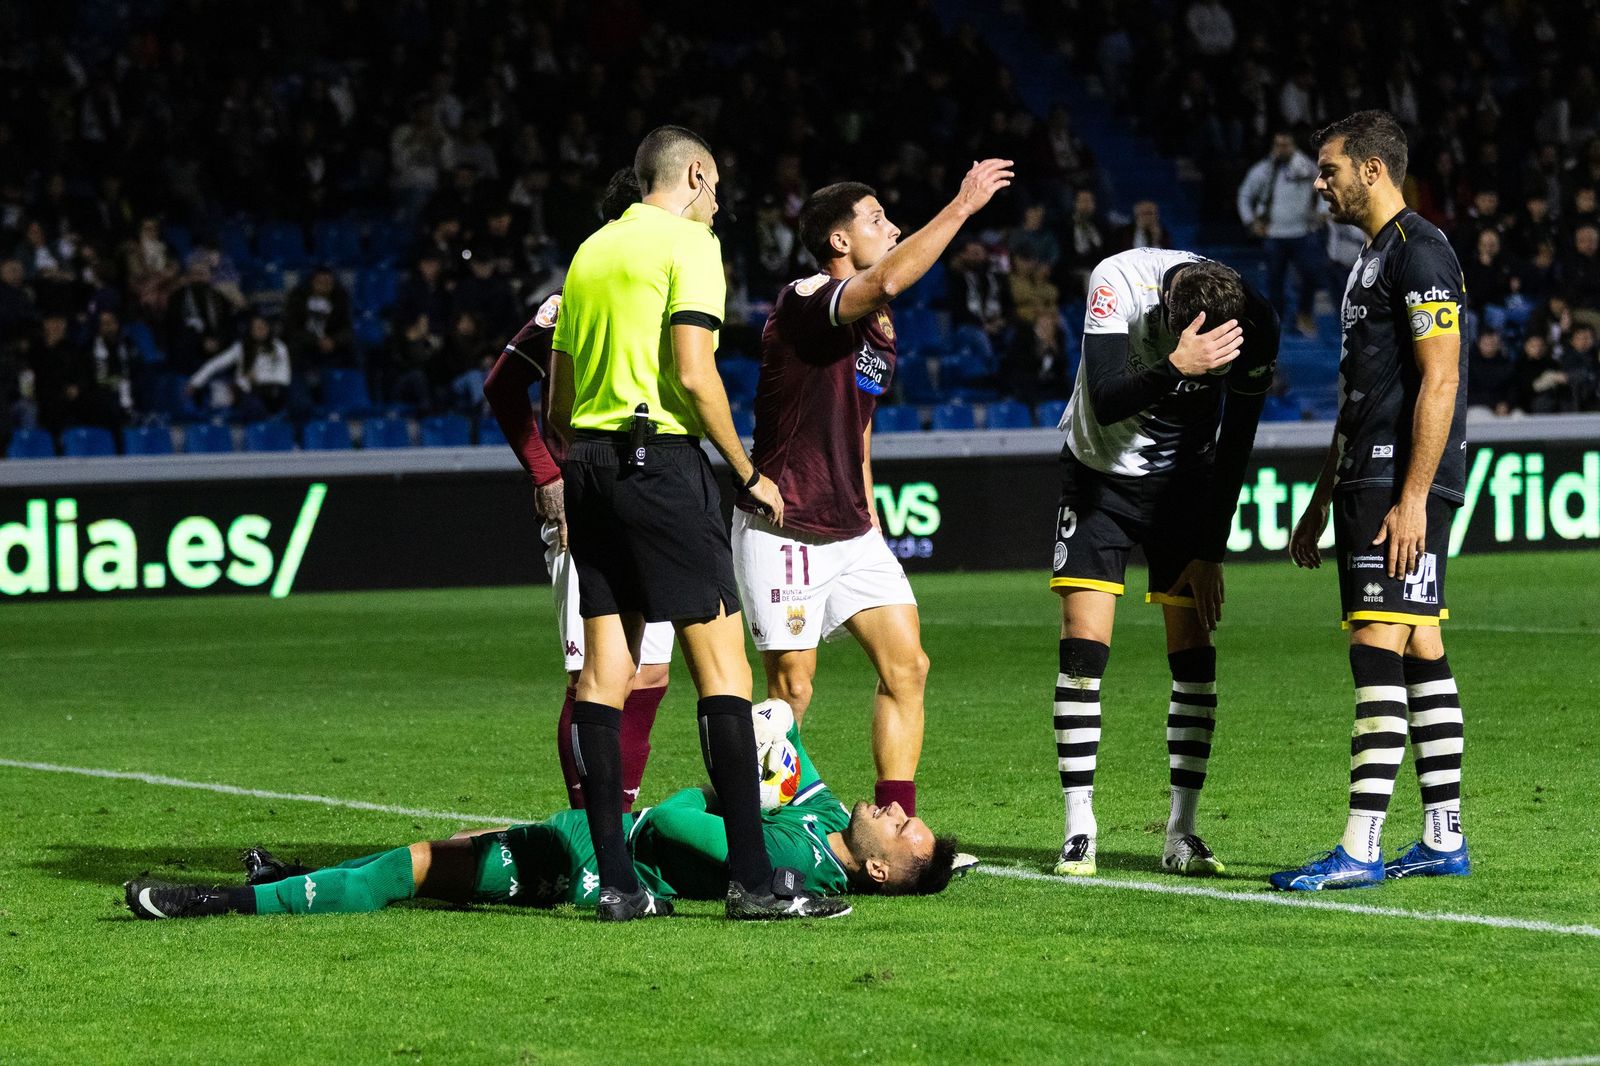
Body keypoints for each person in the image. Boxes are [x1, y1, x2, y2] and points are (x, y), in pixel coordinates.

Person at [547, 125, 845, 921]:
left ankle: (615, 884)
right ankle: (751, 880)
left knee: (603, 673)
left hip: (588, 464)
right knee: (724, 671)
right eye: (716, 189)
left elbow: (555, 402)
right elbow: (692, 369)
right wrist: (748, 474)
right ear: (697, 174)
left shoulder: (590, 253)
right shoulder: (688, 243)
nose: (719, 205)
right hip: (660, 464)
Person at [737, 161, 1013, 820]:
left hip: (854, 532)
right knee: (792, 690)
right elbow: (888, 275)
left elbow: (857, 432)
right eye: (876, 220)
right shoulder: (806, 300)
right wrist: (962, 204)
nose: (891, 229)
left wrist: (871, 524)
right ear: (838, 241)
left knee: (909, 667)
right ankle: (754, 824)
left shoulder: (881, 330)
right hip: (787, 525)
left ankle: (896, 819)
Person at [123, 714, 959, 920]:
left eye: (903, 827)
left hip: (588, 860)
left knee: (407, 869)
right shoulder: (817, 820)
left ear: (877, 869)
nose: (895, 805)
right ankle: (281, 882)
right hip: (591, 853)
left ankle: (212, 903)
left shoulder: (804, 865)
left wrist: (725, 792)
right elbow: (781, 728)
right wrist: (770, 742)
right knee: (423, 865)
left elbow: (669, 816)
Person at [1281, 110, 1470, 891]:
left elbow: (1442, 376)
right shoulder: (1373, 258)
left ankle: (1360, 848)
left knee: (1377, 642)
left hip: (1399, 478)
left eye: (1329, 169)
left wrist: (1414, 497)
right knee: (1420, 644)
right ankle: (1442, 834)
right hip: (1367, 471)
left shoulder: (1420, 252)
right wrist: (1323, 494)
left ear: (1373, 169)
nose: (1319, 183)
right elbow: (1361, 388)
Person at [1048, 245, 1279, 879]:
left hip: (1186, 486)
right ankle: (1078, 827)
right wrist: (1176, 365)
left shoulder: (1255, 318)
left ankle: (1182, 832)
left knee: (1194, 652)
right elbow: (1103, 395)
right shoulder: (1118, 282)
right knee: (1084, 649)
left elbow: (1240, 435)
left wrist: (1212, 546)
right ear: (1168, 318)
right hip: (1101, 479)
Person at [482, 168, 672, 815]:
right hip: (586, 501)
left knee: (649, 671)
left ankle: (615, 817)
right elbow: (503, 385)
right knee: (598, 674)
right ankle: (594, 828)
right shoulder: (571, 303)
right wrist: (547, 473)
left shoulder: (668, 301)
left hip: (651, 499)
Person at [1237, 131, 1327, 337]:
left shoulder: (1307, 166)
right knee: (1274, 280)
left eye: (1286, 145)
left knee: (1310, 274)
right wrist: (1250, 222)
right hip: (1274, 235)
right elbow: (1245, 194)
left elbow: (1325, 186)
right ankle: (1278, 320)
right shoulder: (1263, 171)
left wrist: (1322, 211)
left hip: (1302, 233)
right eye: (1278, 145)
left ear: (1294, 146)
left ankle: (1304, 314)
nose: (1282, 149)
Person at [186, 312, 291, 418]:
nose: (260, 330)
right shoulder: (241, 347)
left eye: (263, 326)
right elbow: (216, 364)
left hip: (272, 394)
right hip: (246, 394)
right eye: (256, 327)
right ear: (250, 330)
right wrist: (195, 382)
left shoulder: (279, 347)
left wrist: (258, 378)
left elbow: (284, 377)